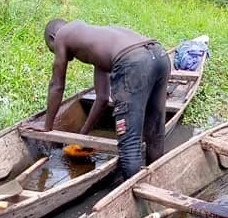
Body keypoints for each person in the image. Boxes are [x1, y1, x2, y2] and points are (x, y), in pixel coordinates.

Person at [41, 19, 170, 178]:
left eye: (51, 49)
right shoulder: (95, 41)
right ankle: (156, 178)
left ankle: (132, 192)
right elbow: (102, 98)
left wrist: (47, 127)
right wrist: (83, 136)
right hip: (159, 54)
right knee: (154, 129)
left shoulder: (61, 35)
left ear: (53, 37)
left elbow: (56, 85)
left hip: (133, 61)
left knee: (129, 143)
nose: (56, 54)